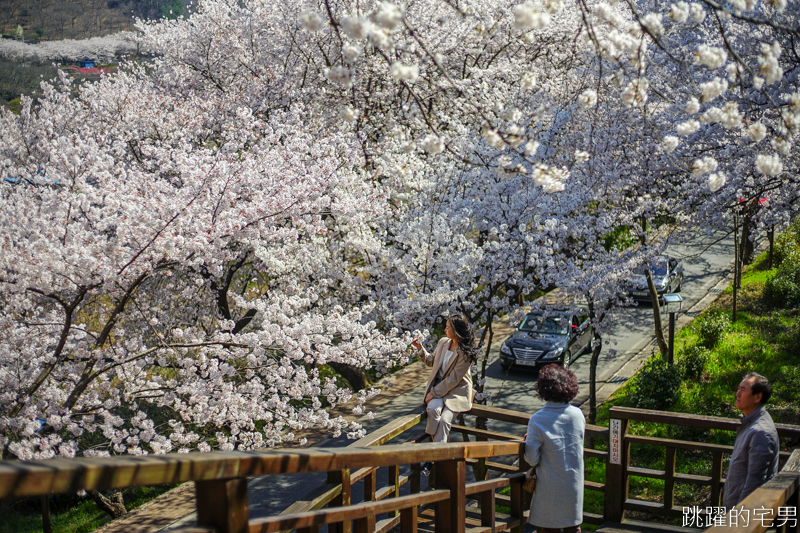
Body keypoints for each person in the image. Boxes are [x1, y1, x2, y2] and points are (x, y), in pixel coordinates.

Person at [411, 313, 476, 472]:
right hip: (439, 387)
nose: (445, 329)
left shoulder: (465, 352)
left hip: (456, 390)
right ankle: (438, 455)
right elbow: (432, 361)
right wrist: (420, 350)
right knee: (433, 410)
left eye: (448, 327)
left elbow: (454, 379)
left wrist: (434, 392)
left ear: (456, 330)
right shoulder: (442, 343)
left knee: (446, 420)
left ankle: (431, 459)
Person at [525, 364, 585, 533]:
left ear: (542, 390)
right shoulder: (577, 415)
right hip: (573, 483)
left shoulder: (537, 419)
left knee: (550, 527)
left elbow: (531, 458)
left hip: (549, 487)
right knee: (573, 527)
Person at [723, 372, 780, 510]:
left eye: (743, 390)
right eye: (738, 389)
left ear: (758, 397)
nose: (737, 394)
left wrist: (740, 516)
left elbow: (755, 481)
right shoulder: (750, 422)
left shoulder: (760, 431)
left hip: (744, 516)